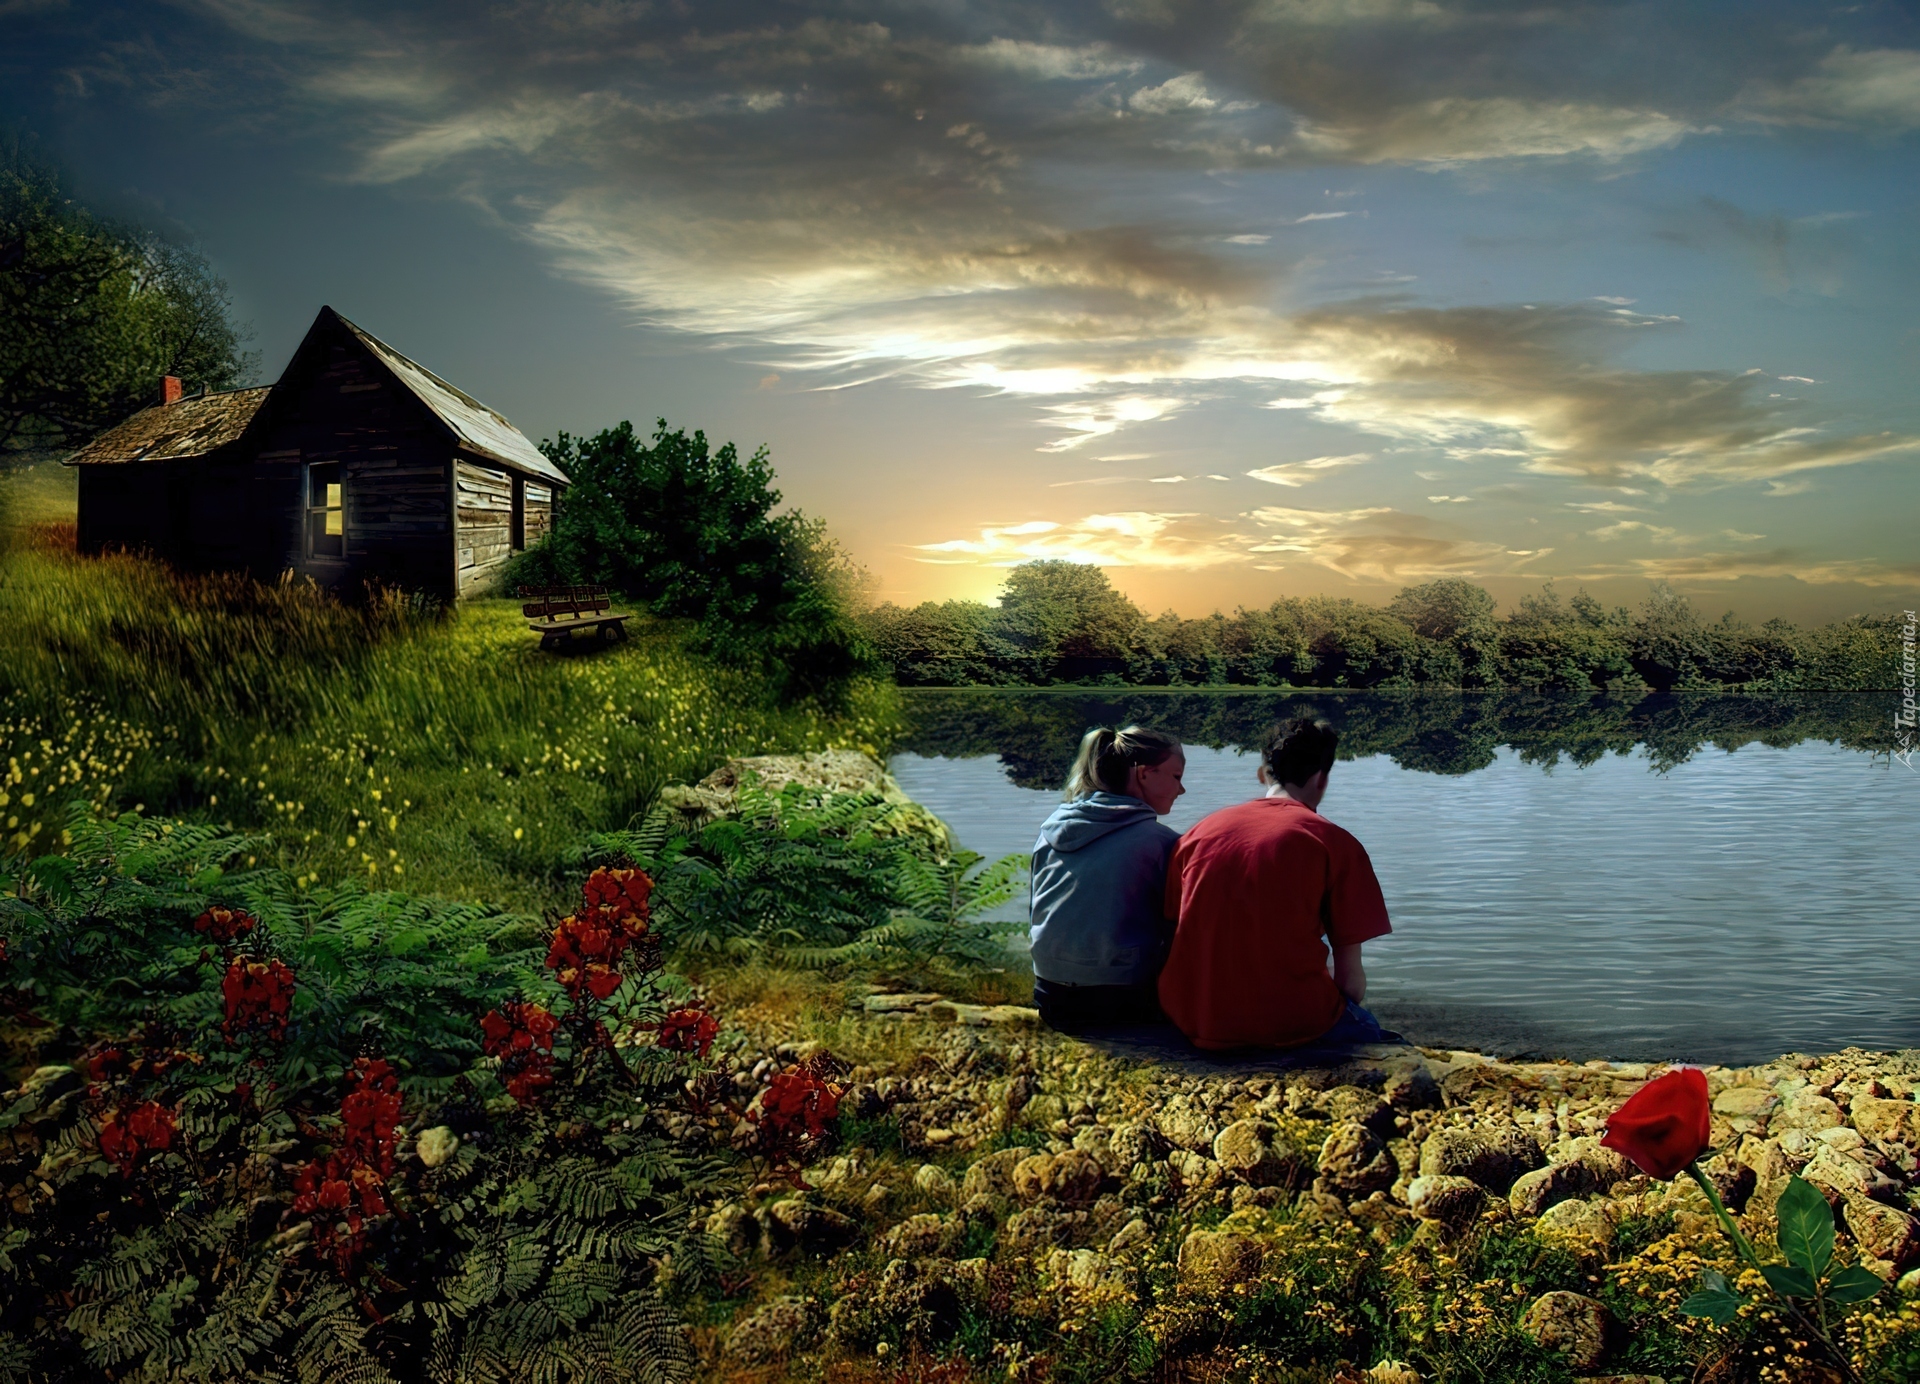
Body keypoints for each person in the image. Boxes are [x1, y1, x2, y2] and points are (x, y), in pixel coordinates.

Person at [1156, 716, 1396, 1051]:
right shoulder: (1334, 842)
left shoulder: (1200, 832)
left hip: (1194, 1020)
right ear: (1322, 779)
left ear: (1262, 775)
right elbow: (1350, 983)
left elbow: (1174, 932)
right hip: (1290, 1025)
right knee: (1367, 1027)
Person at [1028, 725, 1185, 1031]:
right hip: (1118, 1001)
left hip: (1048, 994)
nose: (1181, 790)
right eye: (1176, 777)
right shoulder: (1159, 842)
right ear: (1143, 774)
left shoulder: (1050, 831)